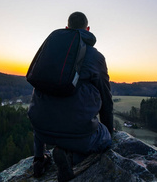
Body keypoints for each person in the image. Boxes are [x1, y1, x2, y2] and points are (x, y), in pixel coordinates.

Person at [27, 11, 113, 182]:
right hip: (79, 135)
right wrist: (108, 132)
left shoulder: (51, 52)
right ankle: (70, 156)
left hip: (42, 130)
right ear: (87, 29)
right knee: (105, 140)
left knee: (46, 101)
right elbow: (106, 97)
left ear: (67, 28)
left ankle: (39, 159)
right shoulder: (96, 57)